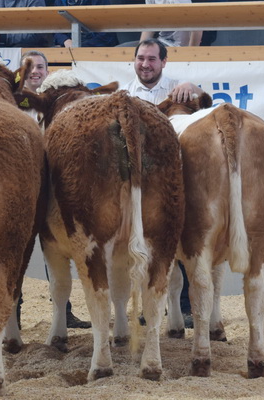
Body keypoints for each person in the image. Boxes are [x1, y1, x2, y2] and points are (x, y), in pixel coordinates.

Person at [121, 38, 202, 328]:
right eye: (141, 58)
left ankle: (185, 309)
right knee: (140, 245)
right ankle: (146, 306)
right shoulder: (124, 93)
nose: (145, 64)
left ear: (164, 62)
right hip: (137, 181)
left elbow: (205, 103)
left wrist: (193, 88)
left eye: (152, 59)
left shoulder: (177, 88)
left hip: (174, 180)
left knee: (178, 242)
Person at [17, 50, 91, 329]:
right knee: (19, 252)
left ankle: (64, 312)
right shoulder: (17, 103)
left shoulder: (62, 100)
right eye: (30, 67)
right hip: (25, 189)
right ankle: (14, 312)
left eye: (41, 67)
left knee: (56, 252)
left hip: (55, 187)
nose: (36, 71)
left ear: (48, 71)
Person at [52, 0, 118, 47]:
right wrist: (65, 40)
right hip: (70, 48)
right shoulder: (60, 1)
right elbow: (56, 29)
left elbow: (107, 34)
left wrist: (81, 46)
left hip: (99, 47)